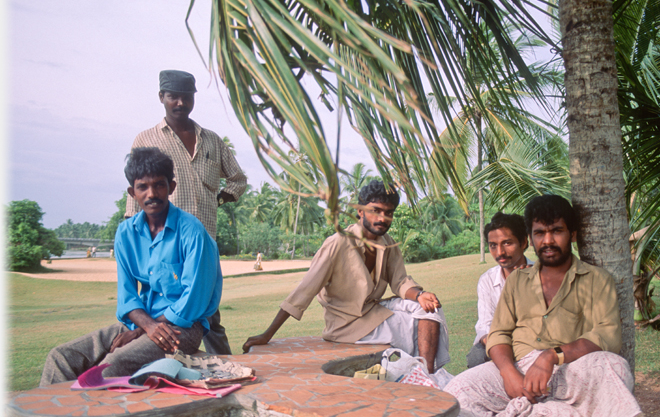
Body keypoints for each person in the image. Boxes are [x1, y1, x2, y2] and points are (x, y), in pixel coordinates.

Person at [444, 194, 641, 417]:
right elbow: (499, 333)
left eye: (557, 230)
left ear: (573, 234)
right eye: (540, 233)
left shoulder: (595, 279)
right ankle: (536, 415)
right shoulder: (517, 281)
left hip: (570, 371)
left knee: (615, 368)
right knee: (456, 393)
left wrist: (551, 356)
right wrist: (507, 372)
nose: (548, 241)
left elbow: (607, 335)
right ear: (531, 238)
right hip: (518, 371)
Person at [40, 147, 223, 386]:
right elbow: (127, 296)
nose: (152, 194)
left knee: (111, 365)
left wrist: (146, 329)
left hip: (181, 328)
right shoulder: (126, 233)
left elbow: (193, 302)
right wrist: (145, 326)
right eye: (143, 187)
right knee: (61, 357)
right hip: (140, 323)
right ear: (132, 192)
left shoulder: (191, 231)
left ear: (172, 187)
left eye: (159, 185)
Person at [242, 180, 450, 374]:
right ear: (360, 212)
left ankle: (427, 375)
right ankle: (425, 376)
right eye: (375, 211)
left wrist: (420, 294)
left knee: (429, 309)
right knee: (408, 324)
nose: (381, 218)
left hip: (372, 311)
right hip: (346, 325)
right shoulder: (338, 243)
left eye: (388, 213)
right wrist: (267, 335)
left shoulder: (387, 241)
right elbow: (302, 293)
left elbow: (400, 281)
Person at [125, 70, 246, 355]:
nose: (180, 102)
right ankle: (155, 363)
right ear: (162, 98)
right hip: (166, 244)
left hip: (203, 244)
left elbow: (238, 179)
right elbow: (135, 192)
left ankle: (225, 369)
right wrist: (134, 238)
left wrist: (220, 198)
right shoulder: (147, 138)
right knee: (161, 306)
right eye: (173, 96)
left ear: (193, 99)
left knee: (209, 313)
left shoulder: (212, 141)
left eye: (186, 97)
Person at [466, 212, 532, 368]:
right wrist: (499, 348)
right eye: (493, 245)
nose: (500, 252)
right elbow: (484, 325)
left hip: (532, 341)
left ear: (523, 242)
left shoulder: (540, 274)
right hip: (497, 340)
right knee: (476, 358)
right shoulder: (487, 280)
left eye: (507, 243)